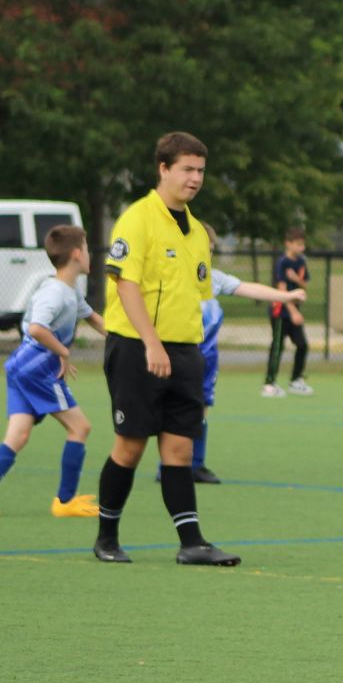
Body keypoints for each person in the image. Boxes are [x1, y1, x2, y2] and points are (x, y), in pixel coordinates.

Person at [91, 132, 239, 566]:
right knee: (131, 446)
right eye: (187, 169)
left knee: (180, 450)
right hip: (138, 348)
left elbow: (197, 293)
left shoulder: (196, 231)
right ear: (164, 169)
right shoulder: (137, 219)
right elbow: (127, 284)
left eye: (201, 171)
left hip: (185, 351)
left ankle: (191, 543)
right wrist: (153, 344)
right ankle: (107, 538)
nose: (195, 179)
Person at [0, 225, 106, 519]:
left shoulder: (68, 291)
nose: (90, 255)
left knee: (18, 435)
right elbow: (37, 328)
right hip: (38, 369)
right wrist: (63, 352)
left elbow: (96, 320)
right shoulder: (55, 293)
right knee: (80, 428)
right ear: (77, 254)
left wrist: (136, 339)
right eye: (87, 249)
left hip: (21, 366)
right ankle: (64, 501)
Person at [182, 223, 308, 484]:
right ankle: (170, 465)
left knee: (202, 407)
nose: (207, 253)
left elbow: (249, 288)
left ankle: (195, 465)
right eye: (202, 247)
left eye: (211, 248)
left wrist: (287, 297)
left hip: (206, 358)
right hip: (180, 353)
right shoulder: (176, 276)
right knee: (177, 410)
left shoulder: (213, 278)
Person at [262, 227, 311, 398]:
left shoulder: (301, 262)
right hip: (280, 312)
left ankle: (296, 380)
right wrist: (293, 312)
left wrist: (296, 279)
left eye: (302, 244)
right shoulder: (282, 263)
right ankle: (269, 384)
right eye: (298, 244)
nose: (301, 248)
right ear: (288, 244)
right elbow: (282, 291)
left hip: (294, 312)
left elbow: (305, 285)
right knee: (277, 347)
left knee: (303, 345)